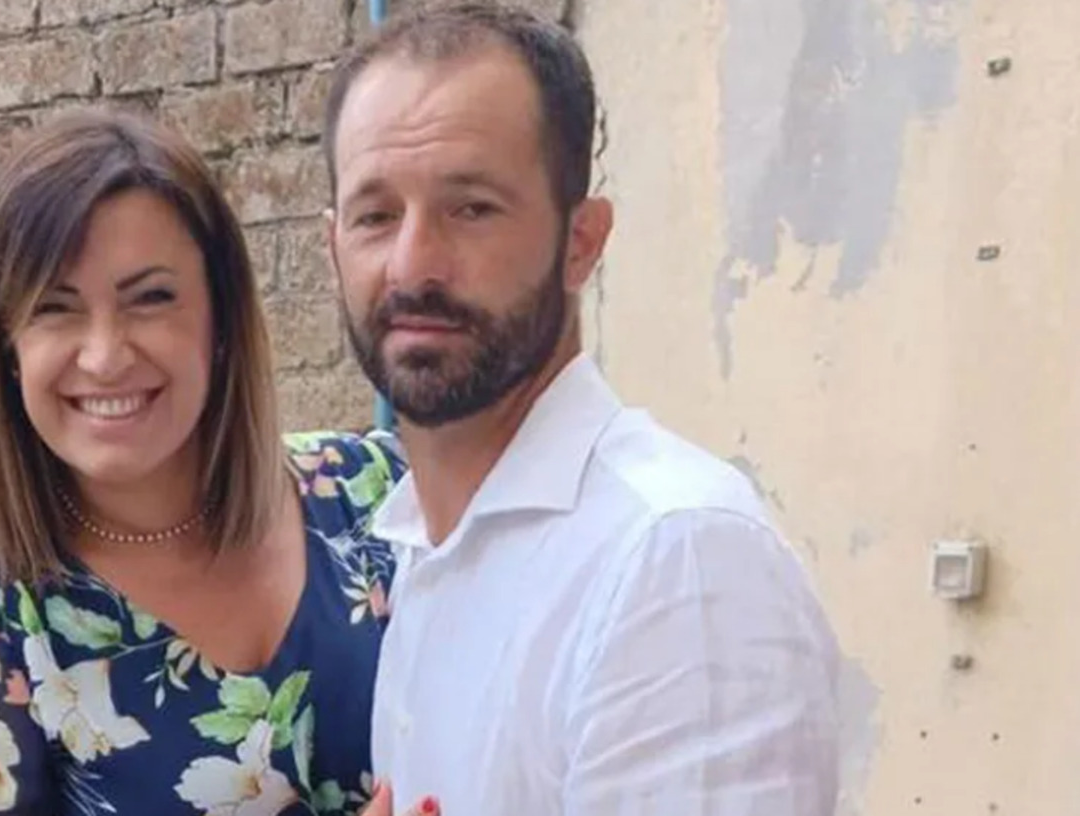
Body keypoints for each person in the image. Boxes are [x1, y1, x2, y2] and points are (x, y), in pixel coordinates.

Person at [323, 3, 843, 815]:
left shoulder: (675, 561)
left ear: (582, 242)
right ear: (333, 247)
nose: (413, 264)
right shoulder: (427, 549)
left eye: (471, 207)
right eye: (376, 215)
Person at [0, 109, 420, 815]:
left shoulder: (376, 492)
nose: (105, 356)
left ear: (220, 318)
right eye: (54, 307)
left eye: (150, 299)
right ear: (6, 348)